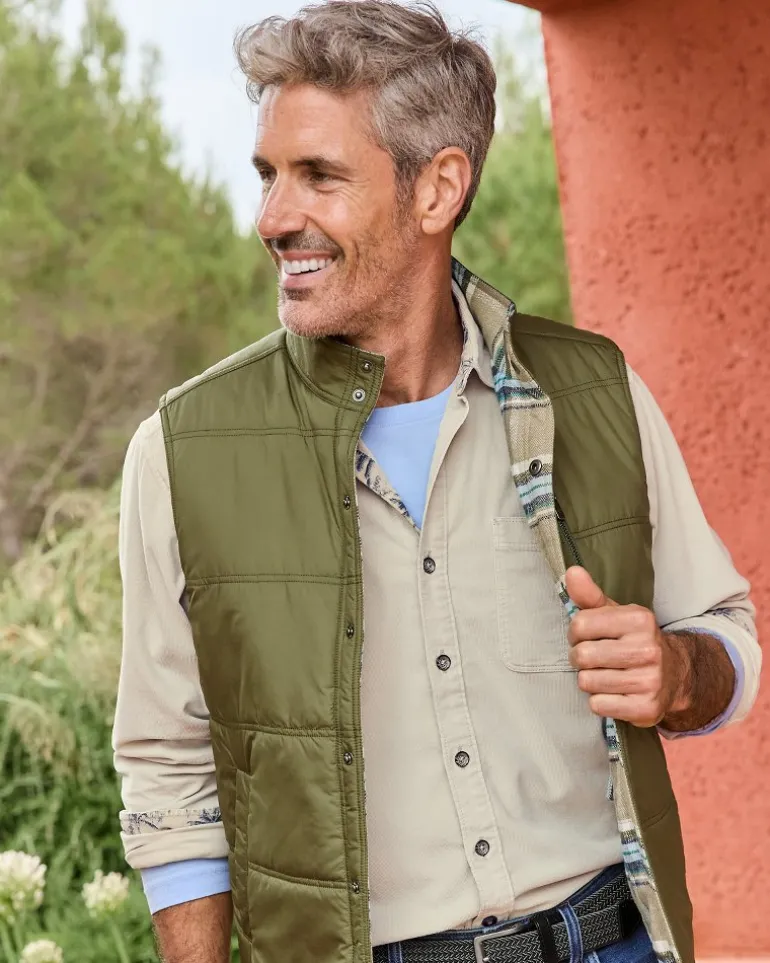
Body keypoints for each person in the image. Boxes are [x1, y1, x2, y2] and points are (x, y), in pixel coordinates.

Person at [113, 3, 761, 962]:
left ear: (438, 189)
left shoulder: (594, 390)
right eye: (267, 175)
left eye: (319, 175)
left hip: (610, 940)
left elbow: (730, 643)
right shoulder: (183, 450)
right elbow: (171, 772)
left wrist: (674, 670)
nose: (273, 218)